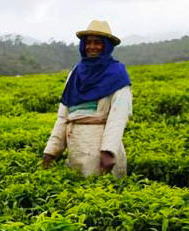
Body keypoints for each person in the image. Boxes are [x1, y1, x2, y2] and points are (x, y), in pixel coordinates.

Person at [42, 20, 133, 177]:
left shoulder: (117, 74)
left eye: (98, 43)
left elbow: (118, 116)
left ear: (107, 46)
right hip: (76, 146)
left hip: (100, 146)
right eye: (88, 42)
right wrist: (51, 150)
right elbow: (63, 115)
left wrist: (108, 151)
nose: (92, 47)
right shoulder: (75, 74)